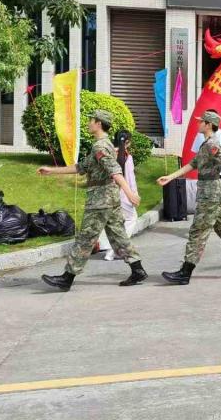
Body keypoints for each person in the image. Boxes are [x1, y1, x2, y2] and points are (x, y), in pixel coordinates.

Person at [39, 110, 145, 291]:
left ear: (98, 123)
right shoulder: (104, 144)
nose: (88, 123)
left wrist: (129, 193)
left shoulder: (100, 147)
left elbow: (115, 171)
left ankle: (67, 278)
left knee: (86, 238)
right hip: (109, 197)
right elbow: (81, 167)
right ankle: (138, 270)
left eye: (91, 120)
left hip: (100, 200)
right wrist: (52, 170)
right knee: (118, 235)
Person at [157, 110, 221, 284]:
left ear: (209, 125)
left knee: (198, 231)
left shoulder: (213, 144)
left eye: (201, 121)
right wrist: (170, 177)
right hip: (209, 191)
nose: (198, 124)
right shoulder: (206, 144)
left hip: (210, 193)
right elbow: (193, 164)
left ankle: (185, 272)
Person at [96, 130, 139, 261]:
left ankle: (109, 248)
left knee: (111, 221)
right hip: (122, 193)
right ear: (128, 142)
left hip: (104, 192)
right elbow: (130, 179)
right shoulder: (127, 157)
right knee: (131, 218)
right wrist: (134, 195)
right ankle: (114, 249)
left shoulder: (105, 153)